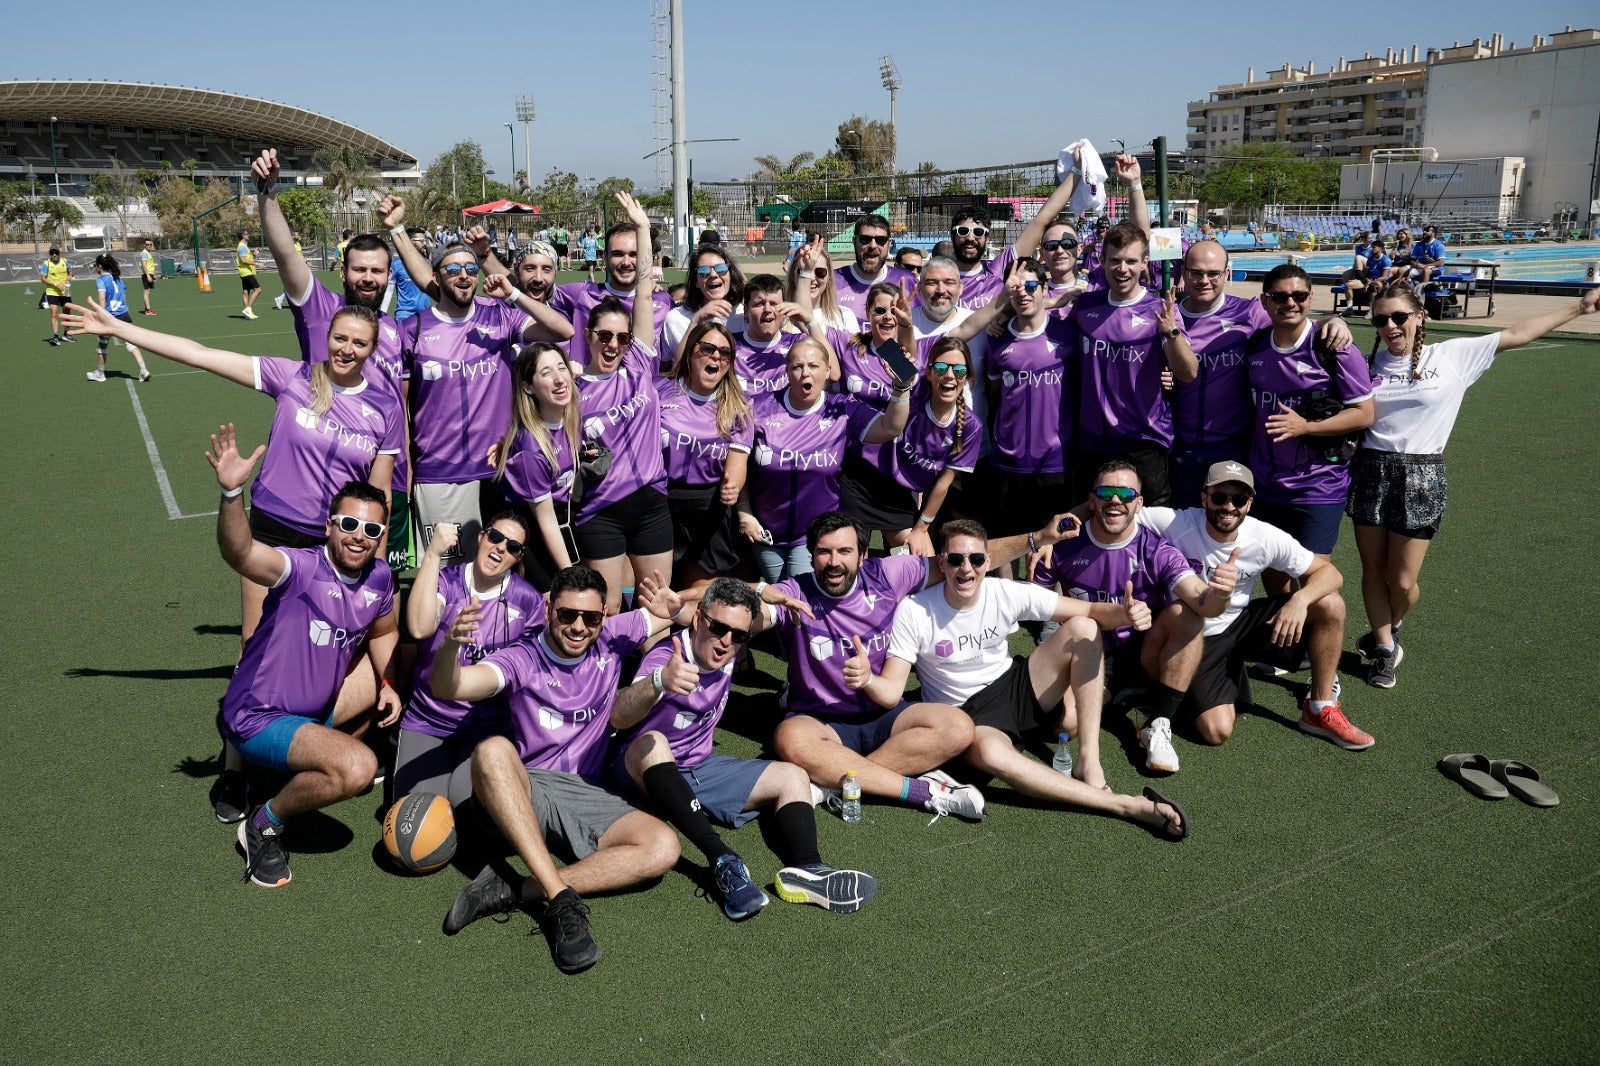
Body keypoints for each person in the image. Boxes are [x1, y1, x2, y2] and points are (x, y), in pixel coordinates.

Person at [429, 565, 682, 975]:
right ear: (548, 609)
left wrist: (676, 609)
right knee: (492, 751)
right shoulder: (522, 658)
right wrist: (448, 648)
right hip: (530, 792)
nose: (579, 627)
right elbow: (449, 686)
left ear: (604, 615)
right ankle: (561, 900)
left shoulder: (615, 635)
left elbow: (688, 608)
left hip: (587, 792)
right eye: (567, 615)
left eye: (591, 618)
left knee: (663, 847)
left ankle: (516, 887)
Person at [865, 519, 1186, 838]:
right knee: (991, 754)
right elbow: (894, 687)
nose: (966, 569)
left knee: (1082, 628)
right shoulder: (914, 610)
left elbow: (1088, 612)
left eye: (976, 559)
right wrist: (865, 678)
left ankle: (1089, 762)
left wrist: (1126, 614)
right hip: (966, 717)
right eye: (955, 559)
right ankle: (1124, 805)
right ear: (941, 563)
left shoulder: (1002, 591)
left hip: (1014, 686)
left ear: (988, 562)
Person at [1349, 284, 1600, 687]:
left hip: (1421, 476)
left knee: (1402, 582)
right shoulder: (1367, 364)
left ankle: (1391, 627)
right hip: (1371, 473)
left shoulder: (1451, 356)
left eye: (1398, 317)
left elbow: (1515, 334)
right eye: (1380, 320)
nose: (1389, 326)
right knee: (1373, 570)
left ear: (1419, 316)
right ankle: (1382, 649)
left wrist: (1580, 307)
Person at [760, 509, 1080, 817]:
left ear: (863, 555)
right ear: (812, 555)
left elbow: (965, 560)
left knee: (958, 727)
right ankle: (924, 792)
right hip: (821, 720)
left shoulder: (889, 574)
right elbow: (731, 608)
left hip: (884, 712)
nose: (834, 562)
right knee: (789, 738)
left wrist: (1037, 538)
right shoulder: (793, 593)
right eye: (823, 552)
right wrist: (760, 591)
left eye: (844, 551)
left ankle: (837, 782)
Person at [610, 577, 878, 918]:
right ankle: (721, 858)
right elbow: (618, 716)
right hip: (639, 773)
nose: (725, 641)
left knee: (792, 776)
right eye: (718, 628)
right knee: (652, 742)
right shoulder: (668, 655)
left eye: (738, 635)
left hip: (697, 768)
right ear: (697, 620)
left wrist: (767, 591)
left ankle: (810, 870)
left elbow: (740, 594)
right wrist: (659, 681)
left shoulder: (731, 644)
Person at [206, 426, 400, 888]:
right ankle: (263, 823)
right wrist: (233, 492)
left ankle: (288, 766)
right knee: (357, 768)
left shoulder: (379, 579)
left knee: (392, 677)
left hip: (315, 711)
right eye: (349, 524)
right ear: (330, 525)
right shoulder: (300, 567)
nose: (359, 536)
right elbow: (240, 551)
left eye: (371, 529)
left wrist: (391, 685)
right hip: (260, 716)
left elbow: (386, 631)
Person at [1137, 460, 1370, 751]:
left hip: (1241, 623)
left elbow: (1331, 574)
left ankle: (1319, 707)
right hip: (1195, 635)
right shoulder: (1176, 522)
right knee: (1216, 731)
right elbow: (1118, 513)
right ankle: (1181, 689)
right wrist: (1070, 522)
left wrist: (1300, 599)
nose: (1229, 507)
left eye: (1238, 499)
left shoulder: (1263, 536)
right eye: (1220, 497)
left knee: (1330, 605)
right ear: (1204, 497)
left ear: (1249, 503)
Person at [256, 150, 415, 572]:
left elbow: (401, 408)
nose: (368, 278)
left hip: (385, 480)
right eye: (359, 269)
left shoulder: (396, 331)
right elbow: (286, 251)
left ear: (388, 276)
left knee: (379, 590)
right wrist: (267, 193)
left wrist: (407, 479)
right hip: (319, 483)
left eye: (377, 271)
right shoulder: (318, 306)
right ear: (342, 272)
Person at [1031, 461, 1234, 775]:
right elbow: (1027, 603)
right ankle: (1120, 698)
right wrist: (1038, 544)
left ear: (1139, 503)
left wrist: (1219, 594)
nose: (1116, 500)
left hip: (1145, 651)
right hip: (1092, 655)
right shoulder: (1062, 547)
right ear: (1092, 500)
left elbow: (1201, 600)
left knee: (1188, 614)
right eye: (1106, 492)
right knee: (1064, 723)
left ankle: (1160, 721)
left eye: (1126, 494)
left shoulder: (1156, 550)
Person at [389, 227, 574, 566]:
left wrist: (514, 295)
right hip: (440, 474)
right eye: (453, 269)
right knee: (446, 575)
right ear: (435, 276)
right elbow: (401, 406)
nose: (463, 276)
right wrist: (408, 464)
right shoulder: (412, 330)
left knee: (501, 571)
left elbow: (563, 330)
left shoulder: (499, 315)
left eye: (470, 269)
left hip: (498, 473)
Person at [1170, 242, 1354, 503]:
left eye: (1213, 273)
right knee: (1183, 533)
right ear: (1184, 272)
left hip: (1236, 447)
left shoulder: (1248, 311)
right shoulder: (1169, 314)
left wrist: (1333, 321)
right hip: (1178, 445)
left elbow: (1292, 323)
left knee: (1230, 529)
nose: (1204, 281)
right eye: (1196, 273)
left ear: (1226, 273)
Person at [567, 193, 676, 615]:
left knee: (657, 606)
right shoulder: (572, 390)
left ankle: (652, 679)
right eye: (604, 335)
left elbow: (645, 294)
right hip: (600, 509)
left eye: (622, 336)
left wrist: (644, 229)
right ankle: (607, 681)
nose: (613, 343)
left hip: (650, 501)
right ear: (589, 335)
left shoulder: (639, 366)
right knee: (607, 609)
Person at [395, 515, 544, 809]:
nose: (501, 548)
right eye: (495, 537)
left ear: (518, 557)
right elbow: (419, 627)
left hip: (488, 726)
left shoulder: (527, 601)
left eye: (512, 546)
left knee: (467, 812)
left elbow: (531, 672)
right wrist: (433, 554)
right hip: (429, 717)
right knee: (415, 819)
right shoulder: (447, 582)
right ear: (480, 538)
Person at [738, 333, 912, 581]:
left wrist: (901, 388)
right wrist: (745, 513)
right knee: (779, 600)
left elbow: (890, 427)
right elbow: (738, 464)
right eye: (797, 366)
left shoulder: (842, 409)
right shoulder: (758, 408)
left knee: (800, 602)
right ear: (786, 371)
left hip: (814, 538)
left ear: (828, 370)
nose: (805, 373)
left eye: (813, 366)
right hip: (766, 535)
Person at [1063, 212, 1196, 506]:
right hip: (1093, 441)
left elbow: (1188, 373)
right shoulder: (1085, 308)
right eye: (1115, 260)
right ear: (1103, 261)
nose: (1122, 268)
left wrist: (1171, 333)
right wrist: (1005, 315)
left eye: (1131, 261)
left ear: (1144, 264)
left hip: (1145, 441)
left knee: (1149, 525)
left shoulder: (1159, 310)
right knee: (1091, 526)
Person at [1246, 264, 1374, 563]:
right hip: (1265, 484)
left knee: (1316, 578)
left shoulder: (1335, 348)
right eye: (1279, 297)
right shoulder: (1255, 345)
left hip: (1318, 485)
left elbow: (1364, 413)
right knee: (1275, 575)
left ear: (1310, 298)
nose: (1290, 303)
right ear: (1265, 302)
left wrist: (1306, 427)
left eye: (1299, 295)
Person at [844, 336, 984, 555]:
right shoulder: (916, 387)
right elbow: (888, 344)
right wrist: (903, 326)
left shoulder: (970, 426)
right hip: (860, 479)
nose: (949, 375)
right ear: (928, 372)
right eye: (940, 367)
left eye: (958, 370)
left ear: (966, 377)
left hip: (898, 496)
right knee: (853, 560)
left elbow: (943, 483)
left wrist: (921, 528)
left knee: (924, 564)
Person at [656, 321, 753, 587]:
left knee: (695, 594)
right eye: (708, 348)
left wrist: (733, 485)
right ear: (690, 352)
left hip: (708, 507)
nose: (716, 357)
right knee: (657, 590)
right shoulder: (660, 391)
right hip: (661, 502)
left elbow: (738, 459)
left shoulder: (737, 406)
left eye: (724, 353)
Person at [497, 342, 582, 589]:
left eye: (561, 368)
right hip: (533, 530)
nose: (559, 380)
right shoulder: (531, 448)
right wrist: (570, 574)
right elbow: (546, 522)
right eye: (546, 373)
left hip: (562, 517)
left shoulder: (570, 413)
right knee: (553, 599)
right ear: (528, 387)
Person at [550, 212, 674, 360]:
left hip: (643, 383)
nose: (626, 262)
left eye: (634, 255)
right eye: (618, 254)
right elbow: (533, 293)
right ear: (605, 257)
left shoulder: (663, 300)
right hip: (588, 383)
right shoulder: (581, 294)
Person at [659, 243, 747, 367]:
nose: (713, 275)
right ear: (695, 281)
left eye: (721, 269)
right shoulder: (676, 319)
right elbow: (676, 370)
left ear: (730, 275)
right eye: (703, 271)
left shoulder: (744, 316)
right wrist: (695, 322)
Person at [729, 273, 807, 398]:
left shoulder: (797, 343)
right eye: (759, 304)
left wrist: (807, 323)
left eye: (774, 303)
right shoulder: (729, 345)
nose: (767, 309)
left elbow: (833, 372)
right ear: (746, 311)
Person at [832, 213, 915, 325]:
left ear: (889, 244)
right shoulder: (832, 281)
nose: (872, 245)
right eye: (865, 239)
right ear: (854, 241)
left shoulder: (908, 282)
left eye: (880, 240)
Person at [84, 255, 151, 383]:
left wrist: (101, 315)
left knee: (102, 346)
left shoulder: (101, 280)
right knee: (130, 343)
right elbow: (123, 295)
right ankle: (144, 370)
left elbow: (102, 298)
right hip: (124, 314)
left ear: (99, 266)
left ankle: (100, 373)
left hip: (110, 317)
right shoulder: (117, 278)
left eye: (95, 265)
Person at [785, 240, 856, 333]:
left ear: (828, 277)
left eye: (820, 272)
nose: (811, 278)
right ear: (792, 276)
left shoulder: (845, 316)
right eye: (802, 271)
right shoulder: (779, 319)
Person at [40, 247, 74, 345]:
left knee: (67, 312)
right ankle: (55, 336)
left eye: (56, 253)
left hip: (65, 292)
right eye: (52, 253)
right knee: (54, 313)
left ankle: (67, 334)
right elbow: (43, 278)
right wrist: (55, 284)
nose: (54, 255)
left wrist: (70, 276)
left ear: (59, 253)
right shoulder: (46, 263)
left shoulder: (65, 261)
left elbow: (71, 271)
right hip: (52, 292)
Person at [236, 231, 262, 320]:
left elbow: (247, 258)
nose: (248, 235)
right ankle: (248, 309)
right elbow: (243, 260)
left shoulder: (243, 246)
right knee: (258, 289)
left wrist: (254, 254)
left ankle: (247, 314)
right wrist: (257, 264)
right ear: (243, 236)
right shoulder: (242, 246)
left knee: (246, 292)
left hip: (244, 272)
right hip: (246, 272)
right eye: (247, 234)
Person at [138, 239, 157, 315]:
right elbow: (144, 264)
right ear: (144, 245)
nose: (149, 246)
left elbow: (150, 265)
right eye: (147, 244)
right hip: (146, 274)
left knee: (148, 292)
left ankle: (147, 309)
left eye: (150, 244)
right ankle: (148, 310)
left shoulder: (148, 253)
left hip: (149, 274)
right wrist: (148, 275)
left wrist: (153, 275)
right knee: (146, 292)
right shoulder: (144, 253)